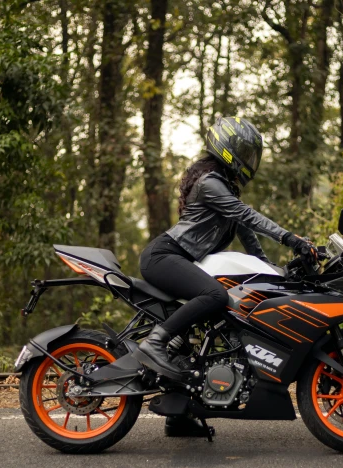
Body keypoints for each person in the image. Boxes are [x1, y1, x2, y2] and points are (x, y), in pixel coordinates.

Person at [132, 117, 316, 436]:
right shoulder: (210, 183)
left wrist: (274, 275)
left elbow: (250, 239)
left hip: (178, 260)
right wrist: (291, 238)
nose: (249, 159)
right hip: (163, 257)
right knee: (216, 295)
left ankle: (179, 417)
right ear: (227, 148)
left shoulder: (224, 188)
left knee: (198, 332)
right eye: (245, 151)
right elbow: (248, 216)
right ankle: (155, 343)